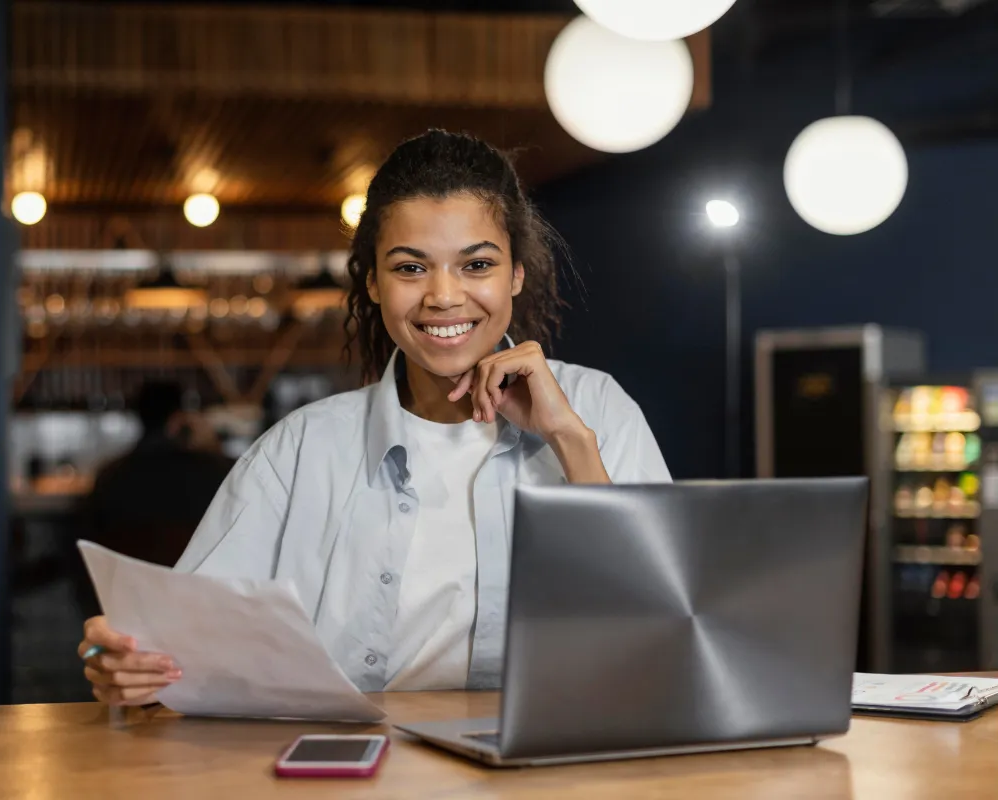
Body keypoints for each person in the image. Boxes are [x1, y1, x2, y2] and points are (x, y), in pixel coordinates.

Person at [78, 130, 671, 706]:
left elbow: (664, 628)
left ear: (516, 274)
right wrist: (128, 665)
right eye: (411, 268)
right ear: (373, 281)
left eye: (477, 265)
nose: (442, 296)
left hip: (552, 768)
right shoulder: (301, 448)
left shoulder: (597, 412)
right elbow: (181, 642)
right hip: (354, 771)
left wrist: (569, 440)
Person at [73, 382, 233, 616]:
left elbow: (87, 548)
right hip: (201, 609)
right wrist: (212, 447)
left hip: (125, 608)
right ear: (179, 420)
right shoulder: (216, 471)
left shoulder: (110, 475)